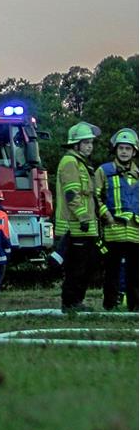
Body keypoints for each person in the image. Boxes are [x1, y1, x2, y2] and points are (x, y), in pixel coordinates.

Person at [55, 122, 101, 312]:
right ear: (76, 145)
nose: (90, 146)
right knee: (77, 268)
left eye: (91, 143)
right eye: (86, 143)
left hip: (85, 226)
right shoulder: (70, 163)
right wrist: (83, 217)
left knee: (87, 266)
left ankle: (76, 302)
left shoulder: (81, 163)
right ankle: (71, 303)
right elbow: (71, 194)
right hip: (74, 226)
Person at [94, 128, 138, 311]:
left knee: (134, 274)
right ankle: (109, 306)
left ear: (134, 151)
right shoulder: (104, 171)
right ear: (115, 150)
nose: (124, 152)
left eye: (128, 148)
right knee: (111, 273)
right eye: (121, 148)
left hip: (136, 233)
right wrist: (107, 215)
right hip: (113, 232)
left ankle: (135, 307)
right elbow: (95, 197)